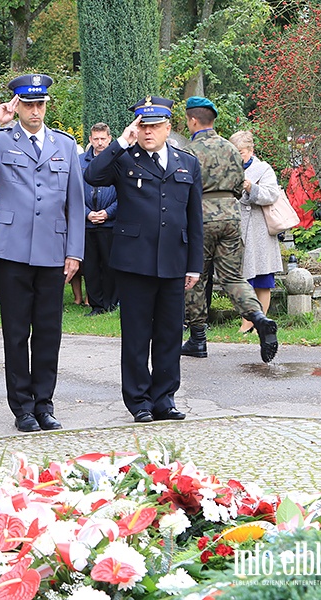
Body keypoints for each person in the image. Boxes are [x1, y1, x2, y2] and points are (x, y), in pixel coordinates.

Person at [0, 74, 84, 433]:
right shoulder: (2, 140)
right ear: (16, 105)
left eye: (39, 104)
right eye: (27, 104)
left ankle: (45, 403)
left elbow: (75, 203)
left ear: (46, 106)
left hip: (52, 250)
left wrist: (74, 251)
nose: (34, 110)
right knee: (15, 333)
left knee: (48, 331)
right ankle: (22, 407)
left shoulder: (64, 144)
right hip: (12, 250)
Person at [84, 96, 203, 423]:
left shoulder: (186, 162)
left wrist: (195, 264)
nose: (148, 132)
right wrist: (123, 140)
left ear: (168, 128)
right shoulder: (123, 158)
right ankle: (139, 401)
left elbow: (194, 218)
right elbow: (93, 175)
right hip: (134, 262)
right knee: (136, 335)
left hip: (173, 262)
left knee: (169, 334)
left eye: (154, 126)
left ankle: (164, 398)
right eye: (143, 125)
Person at [180, 96, 278, 363]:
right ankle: (258, 318)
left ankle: (198, 339)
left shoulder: (188, 151)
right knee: (233, 277)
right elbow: (239, 187)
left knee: (195, 276)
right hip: (232, 218)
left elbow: (183, 189)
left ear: (192, 120)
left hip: (201, 217)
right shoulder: (232, 149)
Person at [229, 130, 284, 333]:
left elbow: (272, 195)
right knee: (243, 279)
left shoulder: (263, 169)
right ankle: (248, 322)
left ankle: (258, 322)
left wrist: (252, 188)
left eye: (241, 152)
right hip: (237, 228)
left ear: (250, 150)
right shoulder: (227, 168)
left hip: (260, 231)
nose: (237, 156)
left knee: (263, 279)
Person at [80, 123, 119, 316]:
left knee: (110, 264)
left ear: (110, 139)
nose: (100, 143)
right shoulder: (80, 161)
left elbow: (124, 193)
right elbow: (74, 192)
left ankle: (111, 303)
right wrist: (87, 212)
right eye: (96, 139)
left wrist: (108, 212)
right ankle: (95, 304)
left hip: (109, 221)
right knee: (91, 266)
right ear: (90, 140)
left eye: (103, 138)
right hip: (87, 222)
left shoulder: (119, 160)